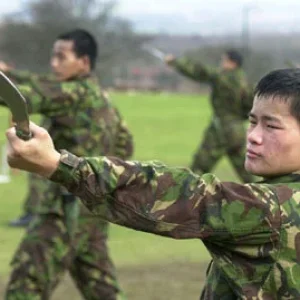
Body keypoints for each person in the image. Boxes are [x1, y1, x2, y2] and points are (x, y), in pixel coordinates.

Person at [6, 68, 300, 299]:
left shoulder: (274, 209)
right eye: (252, 121)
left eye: (271, 125)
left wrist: (61, 166)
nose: (253, 135)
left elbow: (185, 194)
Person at [2, 29, 133, 299]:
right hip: (94, 213)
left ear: (83, 62)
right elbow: (125, 146)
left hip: (62, 212)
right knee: (103, 291)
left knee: (25, 288)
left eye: (61, 57)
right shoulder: (102, 98)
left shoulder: (74, 93)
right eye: (53, 56)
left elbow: (24, 96)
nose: (54, 63)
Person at [165, 49, 254, 182]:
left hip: (221, 129)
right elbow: (250, 105)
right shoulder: (245, 82)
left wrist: (175, 62)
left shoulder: (222, 76)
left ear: (232, 63)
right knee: (247, 172)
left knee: (198, 169)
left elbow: (199, 71)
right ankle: (263, 197)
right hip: (238, 130)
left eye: (224, 60)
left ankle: (186, 197)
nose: (221, 63)